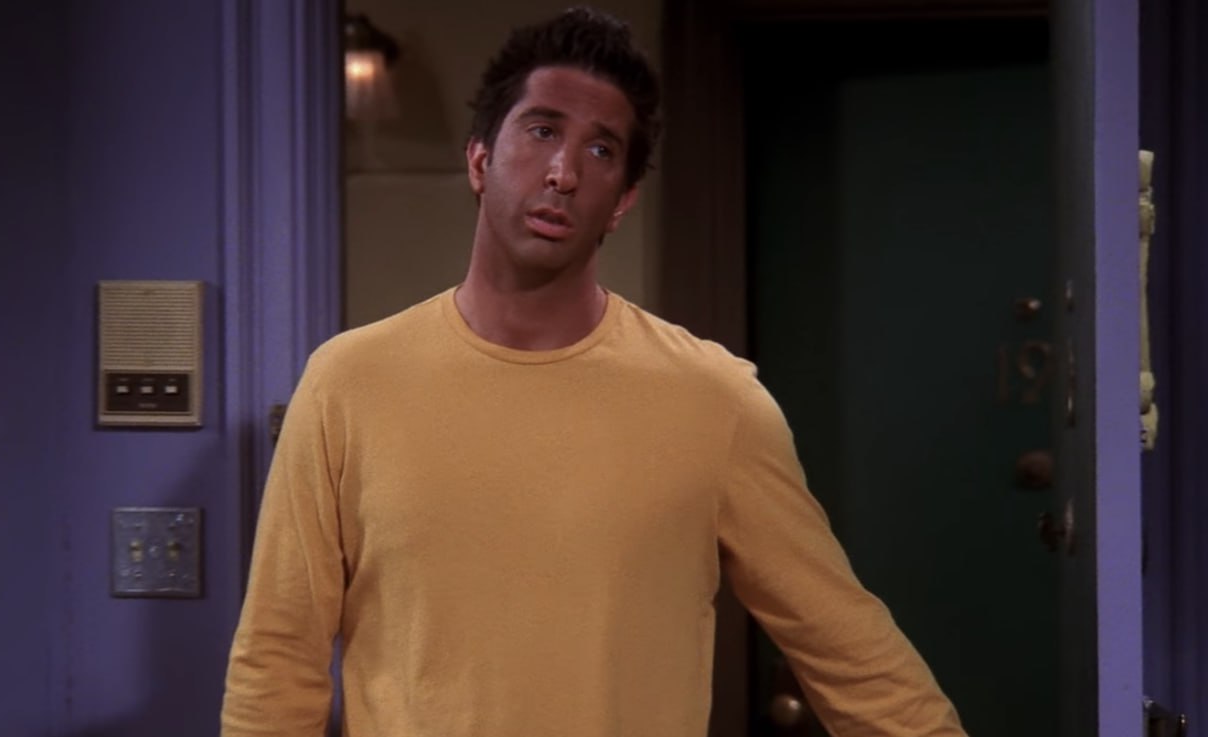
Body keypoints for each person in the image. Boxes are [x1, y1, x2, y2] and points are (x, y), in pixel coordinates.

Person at [221, 7, 966, 737]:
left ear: (623, 202)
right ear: (480, 159)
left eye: (602, 150)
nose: (564, 172)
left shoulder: (715, 402)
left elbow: (848, 648)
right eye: (542, 130)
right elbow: (278, 659)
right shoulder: (349, 382)